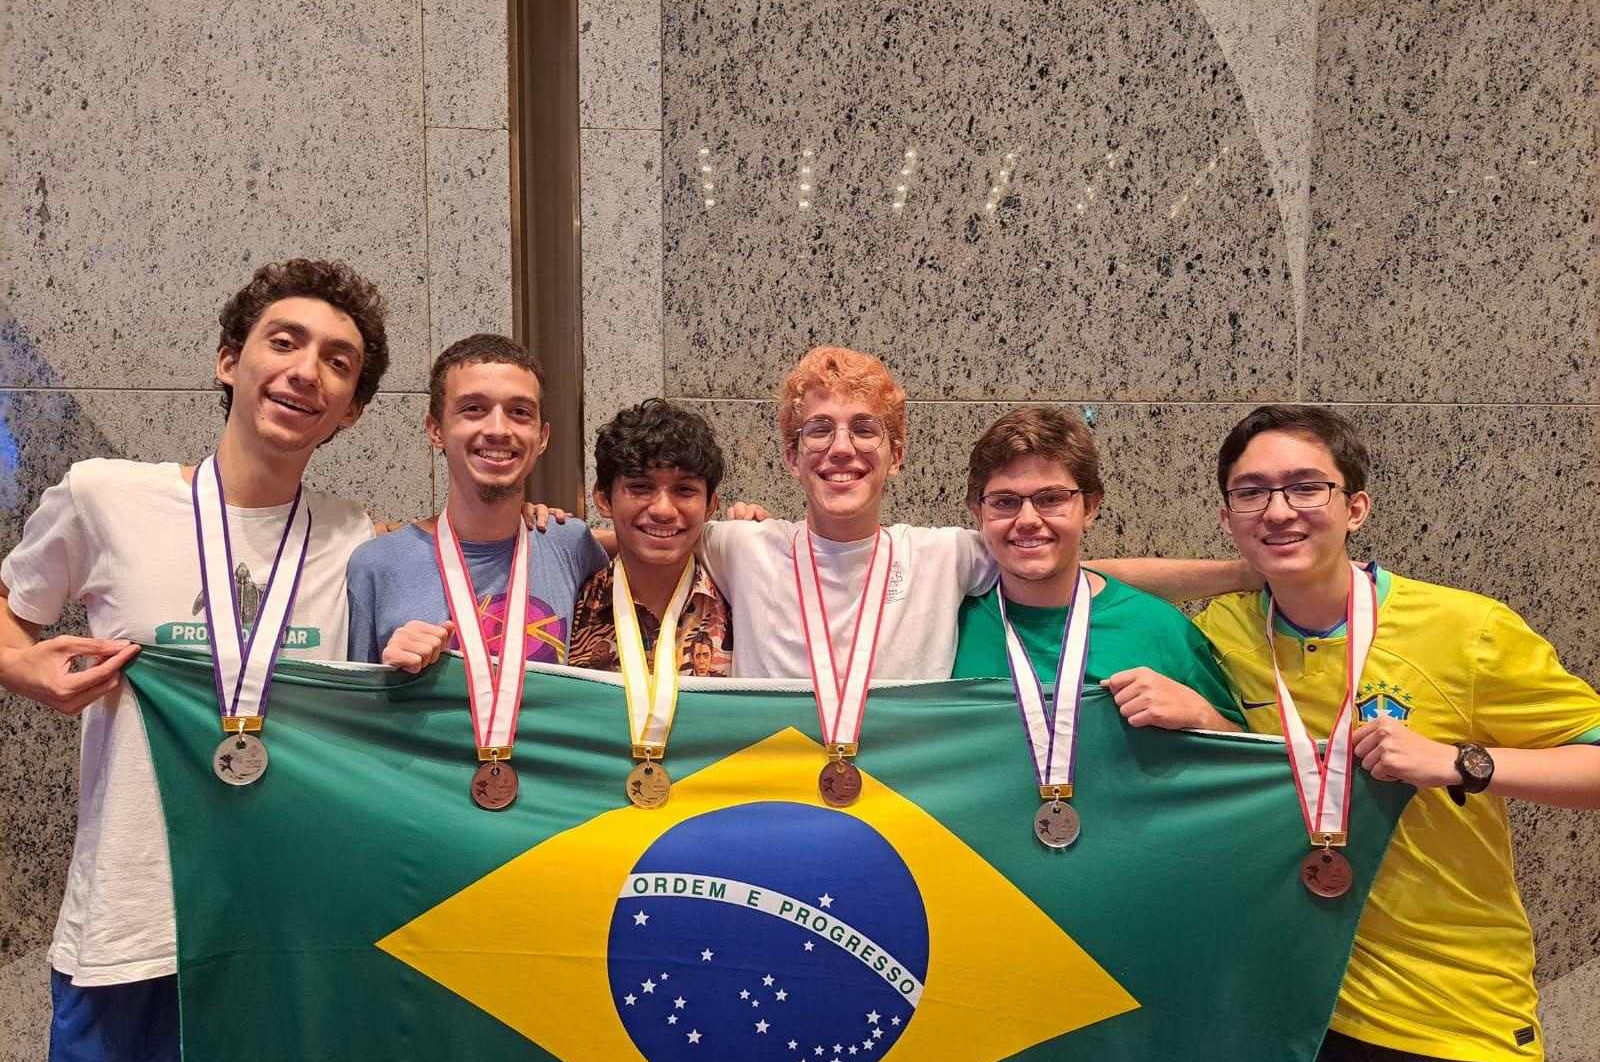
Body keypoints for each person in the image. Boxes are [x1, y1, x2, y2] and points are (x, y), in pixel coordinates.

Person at [0, 259, 390, 1062]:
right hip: (131, 934)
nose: (306, 371)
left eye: (337, 363)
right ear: (229, 360)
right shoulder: (106, 495)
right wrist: (23, 670)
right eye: (284, 342)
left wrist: (565, 527)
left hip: (287, 941)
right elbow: (11, 614)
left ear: (351, 411)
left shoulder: (358, 541)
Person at [1192, 404, 1600, 1062]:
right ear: (1226, 517)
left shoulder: (1466, 630)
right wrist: (1238, 586)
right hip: (1302, 1013)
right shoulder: (1220, 634)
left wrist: (1462, 762)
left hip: (1453, 1005)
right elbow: (1071, 572)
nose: (1278, 509)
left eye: (1305, 487)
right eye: (1252, 493)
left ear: (1356, 508)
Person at [696, 345, 1252, 682]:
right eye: (819, 430)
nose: (842, 448)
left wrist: (1246, 575)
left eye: (865, 429)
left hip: (902, 811)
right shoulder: (738, 545)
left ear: (897, 456)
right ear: (792, 457)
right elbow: (651, 534)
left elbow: (1083, 573)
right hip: (779, 804)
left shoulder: (944, 556)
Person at [950, 406, 1241, 732]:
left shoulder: (1158, 629)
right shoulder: (949, 624)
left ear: (1089, 508)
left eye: (1051, 499)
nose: (1028, 520)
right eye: (1004, 502)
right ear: (978, 514)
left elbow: (1248, 754)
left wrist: (1205, 717)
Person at [347, 334, 606, 670]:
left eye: (519, 412)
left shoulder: (571, 544)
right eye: (474, 409)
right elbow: (351, 697)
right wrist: (392, 681)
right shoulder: (376, 565)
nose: (498, 429)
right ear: (436, 430)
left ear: (541, 438)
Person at [568, 399, 733, 676]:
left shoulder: (740, 605)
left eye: (684, 490)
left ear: (710, 505)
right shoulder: (568, 607)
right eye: (641, 487)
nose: (663, 510)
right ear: (604, 499)